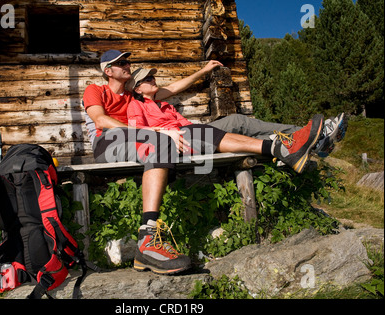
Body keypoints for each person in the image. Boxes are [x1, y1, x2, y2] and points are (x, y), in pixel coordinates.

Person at [82, 50, 333, 275]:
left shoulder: (133, 95)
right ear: (108, 71)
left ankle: (285, 146)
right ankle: (148, 238)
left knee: (205, 132)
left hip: (142, 139)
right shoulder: (96, 89)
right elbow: (102, 121)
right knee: (164, 142)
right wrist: (157, 132)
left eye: (127, 61)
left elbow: (173, 88)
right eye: (121, 62)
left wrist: (202, 71)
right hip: (110, 143)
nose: (127, 64)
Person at [126, 67, 324, 173]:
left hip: (192, 130)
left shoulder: (165, 105)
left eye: (153, 77)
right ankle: (285, 148)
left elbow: (182, 110)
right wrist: (166, 133)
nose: (153, 80)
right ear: (137, 89)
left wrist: (204, 70)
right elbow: (137, 131)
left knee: (238, 121)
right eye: (148, 80)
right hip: (176, 141)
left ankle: (308, 134)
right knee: (206, 133)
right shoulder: (136, 105)